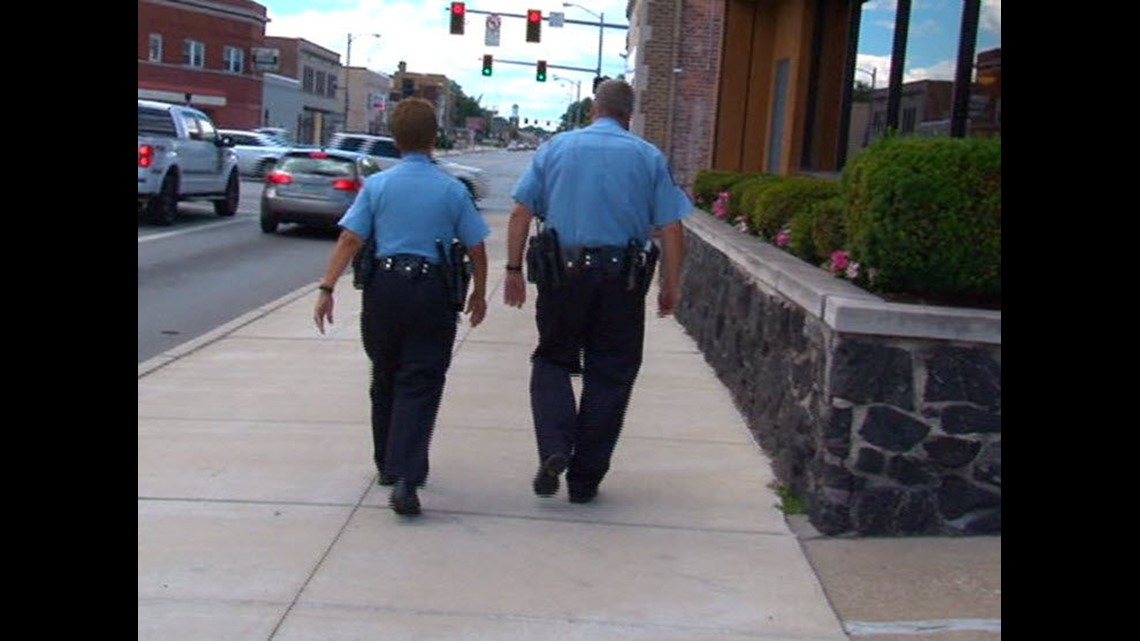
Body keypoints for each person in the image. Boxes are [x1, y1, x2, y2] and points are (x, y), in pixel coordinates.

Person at [503, 79, 693, 504]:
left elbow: (520, 212)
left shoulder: (555, 148)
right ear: (630, 114)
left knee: (551, 360)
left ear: (594, 108)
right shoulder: (648, 156)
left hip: (563, 277)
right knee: (611, 373)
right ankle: (584, 481)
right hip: (622, 282)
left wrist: (513, 269)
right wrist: (670, 285)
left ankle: (555, 445)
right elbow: (672, 228)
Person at [314, 97, 490, 517]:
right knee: (421, 379)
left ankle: (388, 464)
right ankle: (408, 475)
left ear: (395, 139)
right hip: (432, 292)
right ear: (434, 138)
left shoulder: (378, 186)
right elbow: (476, 247)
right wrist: (479, 293)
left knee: (385, 374)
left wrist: (327, 287)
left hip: (385, 289)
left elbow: (350, 239)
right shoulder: (452, 189)